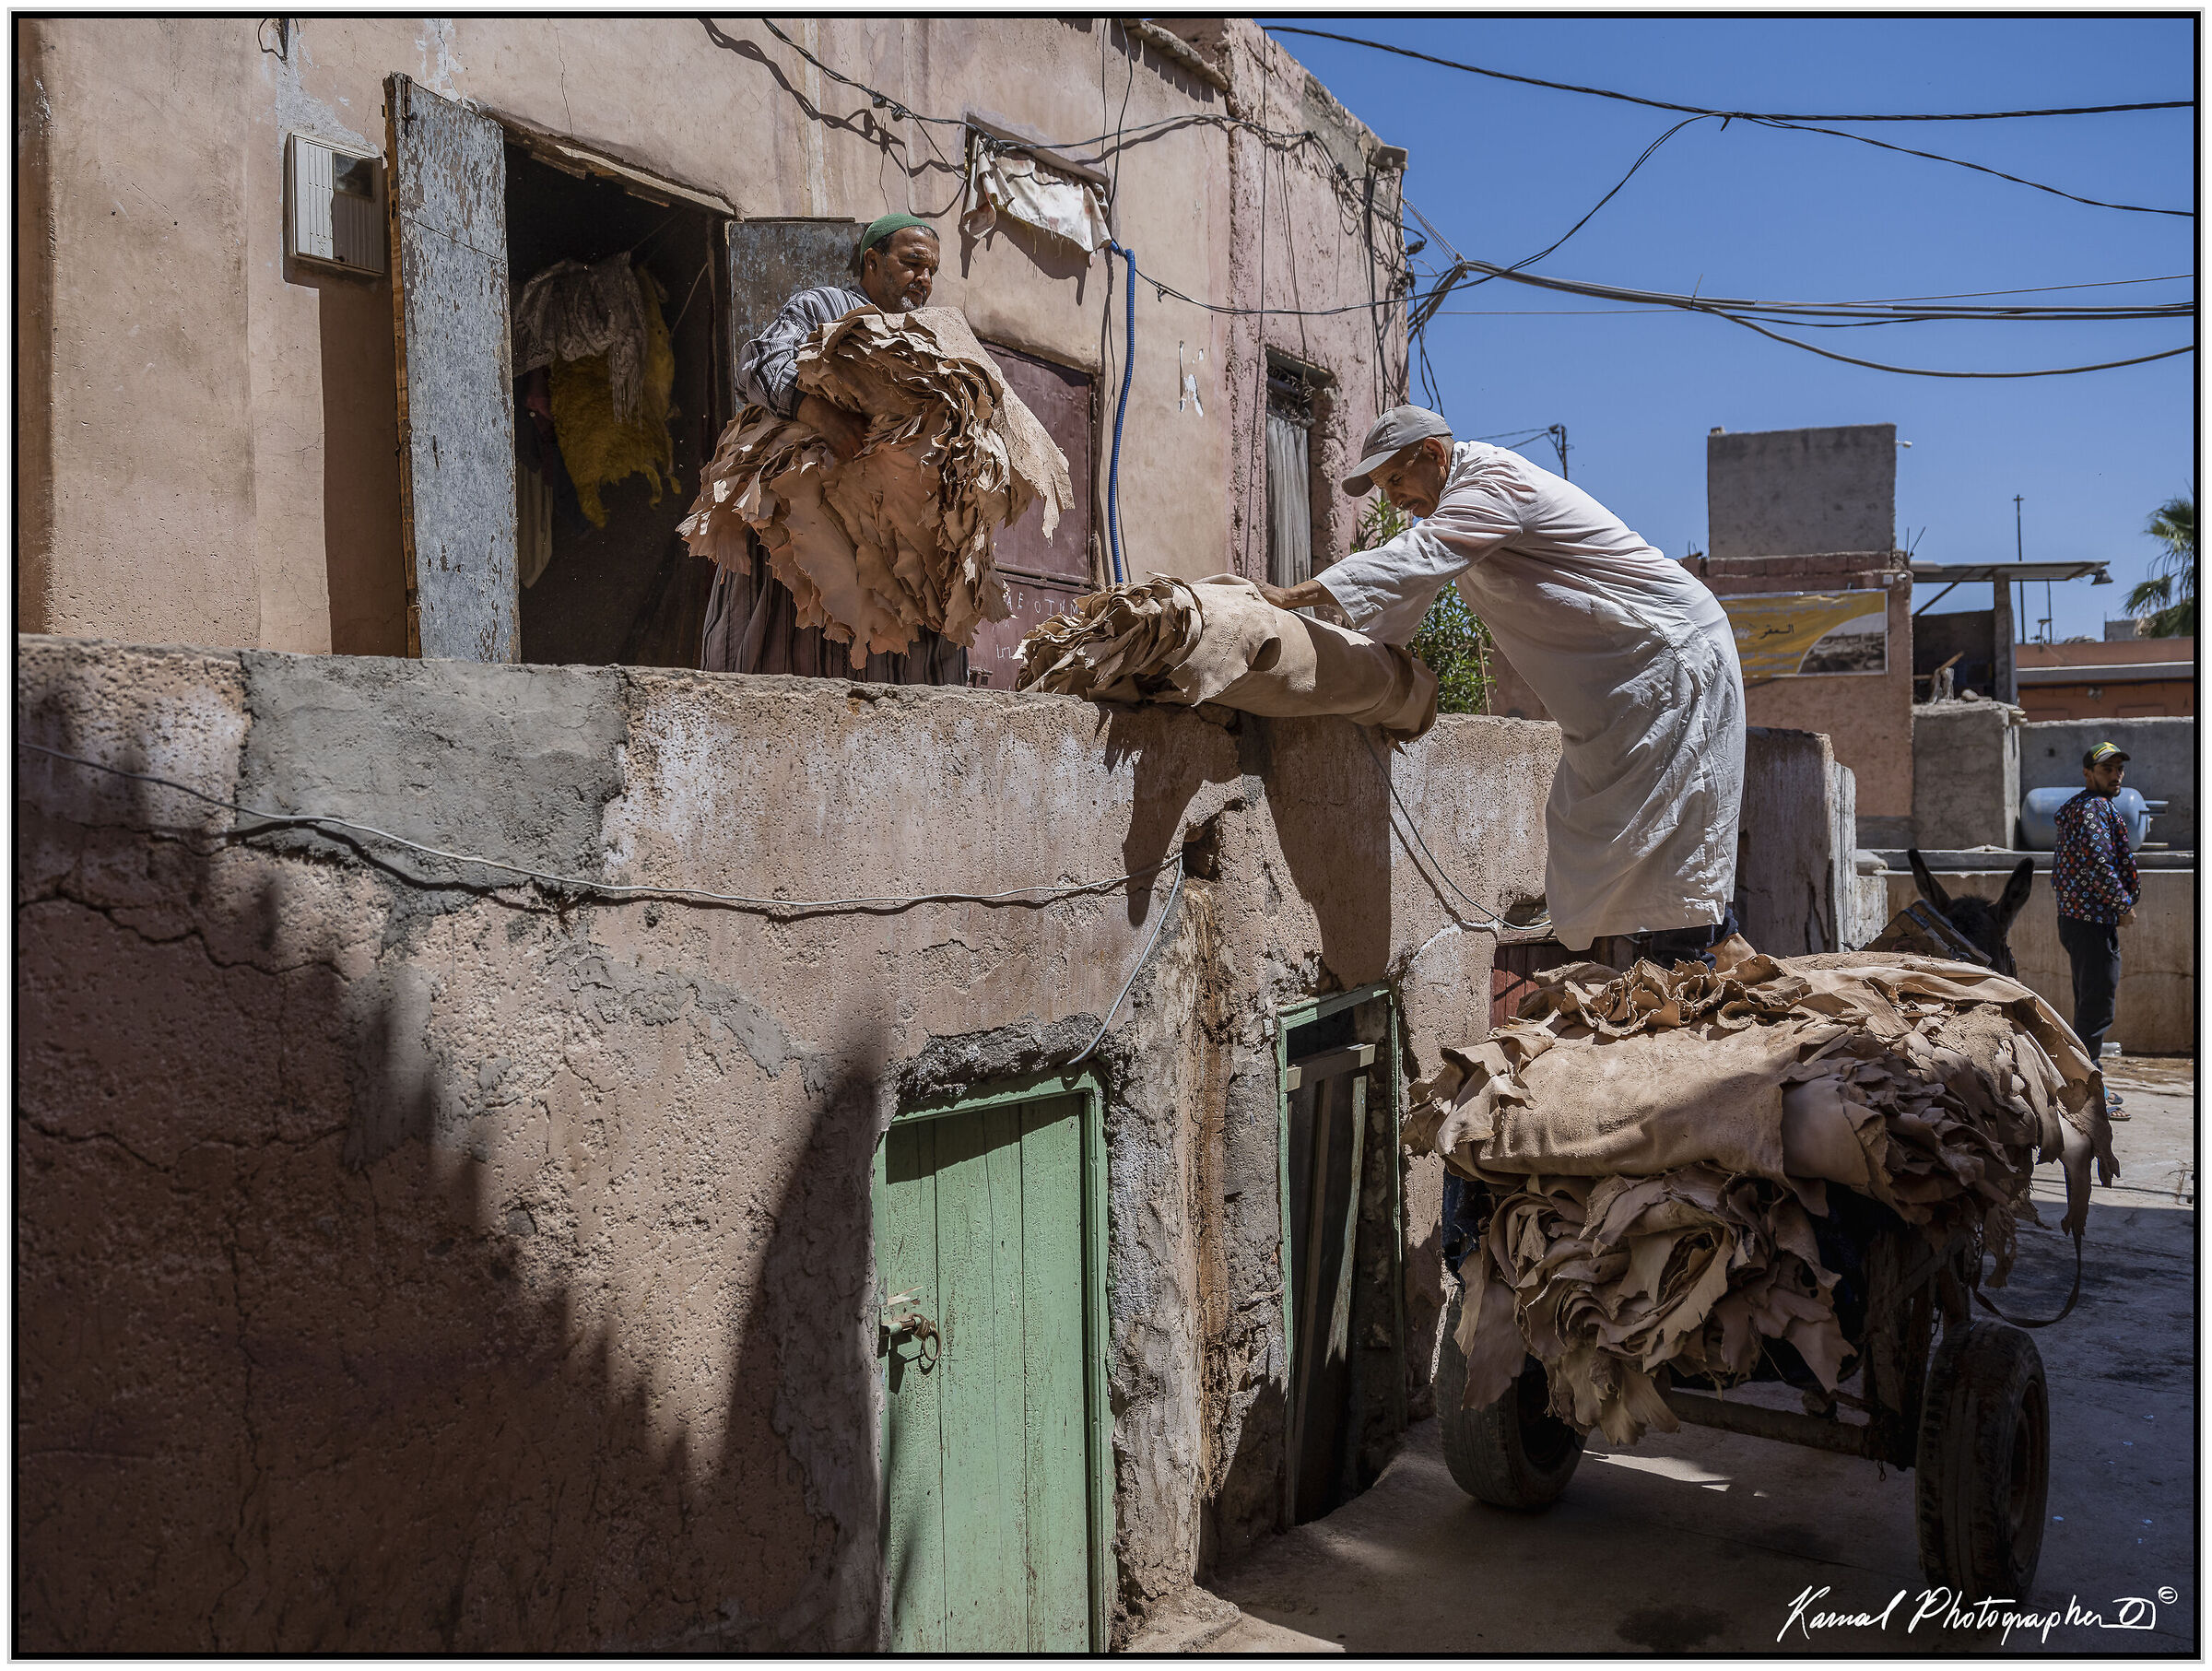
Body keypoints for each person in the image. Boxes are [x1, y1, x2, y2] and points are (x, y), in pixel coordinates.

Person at [1258, 406, 1746, 960]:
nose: (1391, 499)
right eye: (1382, 487)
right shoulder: (1460, 505)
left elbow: (1419, 558)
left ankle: (1685, 965)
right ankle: (1722, 945)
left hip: (1670, 654)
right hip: (1635, 672)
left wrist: (1290, 597)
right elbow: (1414, 584)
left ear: (1435, 455)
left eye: (1395, 479)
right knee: (1600, 816)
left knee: (1660, 816)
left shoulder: (1493, 483)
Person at [700, 213, 962, 682]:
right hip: (814, 510)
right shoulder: (826, 306)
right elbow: (757, 365)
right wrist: (823, 416)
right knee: (800, 629)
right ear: (873, 260)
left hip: (895, 530)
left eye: (931, 272)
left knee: (895, 642)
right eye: (912, 264)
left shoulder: (933, 339)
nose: (923, 280)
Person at [2053, 741, 2138, 1114]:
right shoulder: (2093, 811)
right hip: (2092, 922)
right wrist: (2123, 906)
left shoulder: (2078, 808)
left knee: (2089, 1004)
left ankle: (2086, 1081)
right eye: (2108, 770)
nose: (2116, 776)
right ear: (2088, 773)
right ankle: (2089, 1091)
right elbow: (2099, 865)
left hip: (2078, 921)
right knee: (2096, 1009)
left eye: (2119, 769)